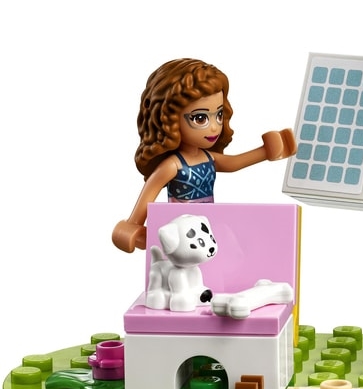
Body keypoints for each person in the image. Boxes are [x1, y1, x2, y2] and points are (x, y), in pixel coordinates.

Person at [112, 58, 296, 253]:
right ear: (170, 120)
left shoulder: (209, 158)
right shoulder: (173, 165)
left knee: (230, 246)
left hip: (207, 224)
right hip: (182, 230)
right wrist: (134, 224)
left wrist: (266, 151)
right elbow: (150, 191)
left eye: (219, 115)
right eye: (200, 118)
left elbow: (234, 163)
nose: (215, 127)